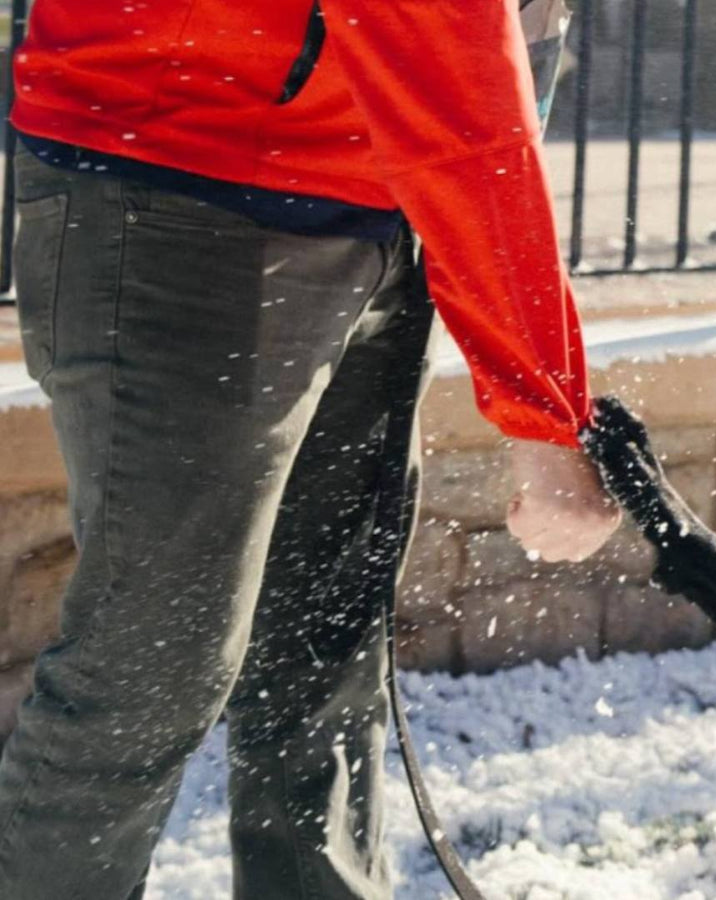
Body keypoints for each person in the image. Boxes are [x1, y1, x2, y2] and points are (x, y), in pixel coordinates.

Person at [0, 2, 620, 897]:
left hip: (368, 200)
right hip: (179, 181)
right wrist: (542, 415)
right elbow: (454, 60)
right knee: (153, 668)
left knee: (325, 645)